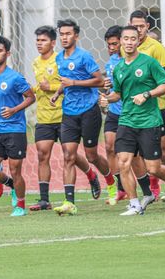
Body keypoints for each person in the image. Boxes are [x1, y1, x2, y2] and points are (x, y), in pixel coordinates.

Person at [103, 25, 165, 215]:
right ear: (120, 41)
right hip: (127, 120)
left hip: (149, 121)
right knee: (123, 161)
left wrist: (147, 94)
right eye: (126, 39)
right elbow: (119, 94)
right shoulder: (119, 68)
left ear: (138, 41)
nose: (129, 42)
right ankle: (134, 204)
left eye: (133, 39)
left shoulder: (149, 63)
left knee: (153, 168)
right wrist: (107, 98)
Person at [29, 25, 102, 211]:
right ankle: (45, 199)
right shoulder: (36, 62)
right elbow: (51, 85)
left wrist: (52, 89)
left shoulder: (60, 59)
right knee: (43, 154)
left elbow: (68, 82)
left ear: (53, 43)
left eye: (43, 40)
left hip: (65, 113)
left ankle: (91, 174)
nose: (39, 44)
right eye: (37, 40)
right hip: (45, 115)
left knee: (73, 155)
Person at [51, 19, 115, 216]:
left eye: (68, 34)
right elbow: (65, 80)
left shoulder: (84, 56)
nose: (64, 37)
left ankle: (111, 182)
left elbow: (99, 80)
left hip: (89, 110)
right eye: (62, 34)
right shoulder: (59, 58)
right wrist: (58, 92)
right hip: (69, 112)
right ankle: (69, 202)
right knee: (68, 156)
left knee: (91, 155)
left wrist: (74, 83)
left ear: (76, 36)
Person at [0, 36, 36, 216]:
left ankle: (20, 206)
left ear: (7, 53)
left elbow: (30, 97)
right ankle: (11, 185)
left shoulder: (15, 77)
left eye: (0, 51)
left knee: (15, 170)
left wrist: (14, 110)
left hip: (14, 130)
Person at [128, 10, 165, 201]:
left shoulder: (155, 47)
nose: (139, 30)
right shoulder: (127, 48)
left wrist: (149, 87)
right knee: (137, 153)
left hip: (158, 107)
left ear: (148, 26)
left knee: (163, 153)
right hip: (135, 109)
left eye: (142, 26)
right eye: (136, 26)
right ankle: (152, 188)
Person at [100, 25, 127, 202]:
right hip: (114, 112)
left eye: (114, 44)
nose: (111, 48)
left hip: (130, 112)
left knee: (134, 154)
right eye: (109, 45)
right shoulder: (110, 63)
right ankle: (119, 187)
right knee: (109, 147)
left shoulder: (131, 61)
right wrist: (105, 90)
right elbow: (110, 87)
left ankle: (149, 183)